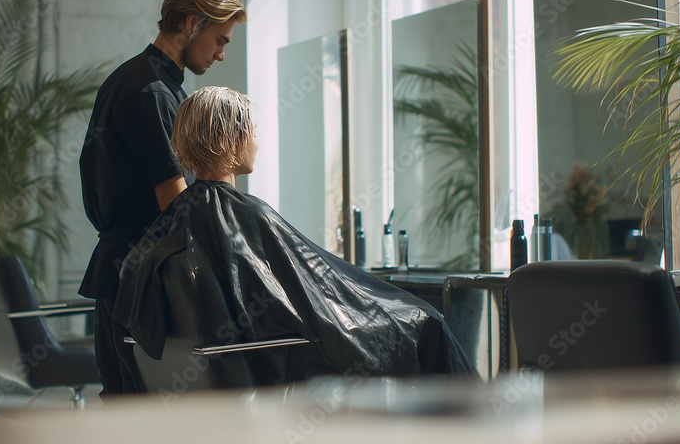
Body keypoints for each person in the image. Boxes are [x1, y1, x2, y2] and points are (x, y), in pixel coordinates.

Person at [114, 87, 477, 385]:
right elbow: (312, 301)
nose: (256, 142)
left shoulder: (175, 220)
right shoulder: (248, 214)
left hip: (240, 364)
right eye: (253, 133)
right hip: (281, 357)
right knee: (428, 322)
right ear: (233, 141)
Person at [78, 0, 247, 395]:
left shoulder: (138, 80)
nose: (221, 54)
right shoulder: (151, 91)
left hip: (128, 275)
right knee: (138, 414)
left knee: (128, 409)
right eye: (221, 40)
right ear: (192, 24)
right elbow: (175, 205)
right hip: (137, 284)